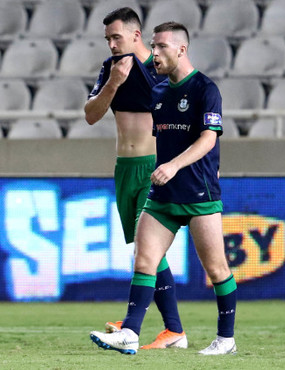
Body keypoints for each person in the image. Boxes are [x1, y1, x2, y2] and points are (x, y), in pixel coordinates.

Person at [90, 21, 237, 356]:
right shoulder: (157, 92)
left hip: (198, 192)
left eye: (161, 48)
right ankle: (130, 333)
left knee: (216, 270)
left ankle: (226, 339)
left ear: (181, 49)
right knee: (144, 259)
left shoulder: (205, 88)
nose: (154, 54)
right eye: (153, 47)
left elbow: (208, 137)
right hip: (162, 194)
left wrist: (174, 165)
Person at [84, 8, 187, 349]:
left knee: (147, 249)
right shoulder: (109, 69)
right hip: (124, 169)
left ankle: (133, 329)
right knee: (148, 253)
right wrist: (114, 82)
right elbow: (90, 115)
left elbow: (189, 117)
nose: (112, 44)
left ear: (136, 35)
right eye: (108, 39)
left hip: (152, 168)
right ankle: (175, 331)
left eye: (116, 37)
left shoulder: (159, 71)